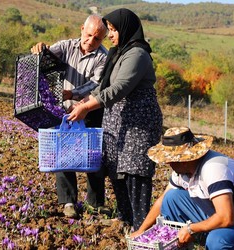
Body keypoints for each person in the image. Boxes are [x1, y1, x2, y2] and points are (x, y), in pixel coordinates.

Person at [67, 8, 163, 230]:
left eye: (113, 30)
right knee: (115, 169)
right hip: (117, 120)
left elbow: (120, 87)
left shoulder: (137, 54)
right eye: (109, 30)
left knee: (134, 171)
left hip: (138, 122)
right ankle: (123, 218)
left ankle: (140, 226)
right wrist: (83, 103)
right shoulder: (118, 53)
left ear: (127, 29)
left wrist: (89, 106)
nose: (110, 34)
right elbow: (104, 85)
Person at [131, 126, 234, 249]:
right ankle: (179, 244)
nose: (168, 164)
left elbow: (226, 218)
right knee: (171, 198)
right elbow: (162, 201)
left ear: (185, 159)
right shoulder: (183, 171)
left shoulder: (213, 168)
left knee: (217, 240)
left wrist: (190, 228)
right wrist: (142, 231)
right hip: (225, 219)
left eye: (171, 160)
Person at [31, 14, 108, 218]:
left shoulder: (103, 57)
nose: (91, 41)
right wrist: (40, 48)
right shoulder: (66, 46)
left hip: (89, 110)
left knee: (93, 155)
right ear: (82, 29)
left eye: (97, 38)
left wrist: (73, 94)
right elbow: (47, 58)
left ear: (103, 39)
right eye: (89, 35)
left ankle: (95, 202)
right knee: (64, 155)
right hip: (65, 110)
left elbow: (96, 84)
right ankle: (68, 202)